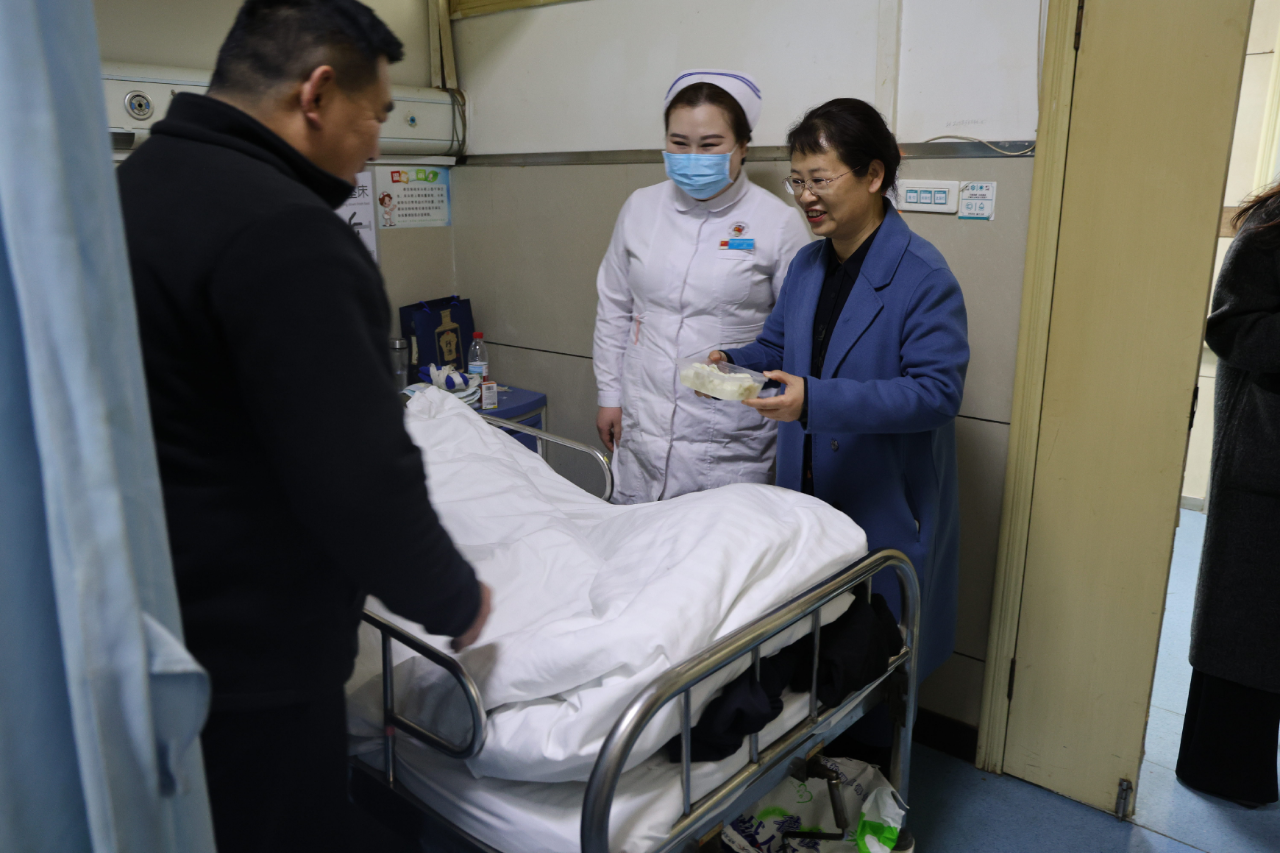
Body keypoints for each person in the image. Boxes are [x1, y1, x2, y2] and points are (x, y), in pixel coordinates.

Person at [115, 1, 490, 849]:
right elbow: (361, 476)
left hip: (149, 625)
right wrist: (453, 595)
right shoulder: (289, 233)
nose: (377, 146)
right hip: (254, 666)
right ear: (316, 93)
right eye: (377, 115)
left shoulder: (132, 187)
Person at [713, 103, 967, 849]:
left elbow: (936, 392)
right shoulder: (807, 266)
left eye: (820, 179)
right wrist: (736, 362)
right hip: (812, 494)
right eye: (796, 181)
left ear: (874, 175)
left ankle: (870, 800)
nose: (806, 196)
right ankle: (815, 790)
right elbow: (779, 346)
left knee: (876, 660)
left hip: (880, 503)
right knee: (814, 655)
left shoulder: (922, 276)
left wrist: (816, 400)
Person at [593, 69, 811, 504]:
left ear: (742, 146)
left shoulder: (778, 223)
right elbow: (614, 307)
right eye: (679, 143)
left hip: (728, 434)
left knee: (717, 539)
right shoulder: (640, 208)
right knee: (636, 533)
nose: (693, 156)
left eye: (710, 145)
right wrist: (609, 395)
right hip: (642, 419)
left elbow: (798, 333)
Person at [1177, 189, 1280, 807]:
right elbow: (1230, 326)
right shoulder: (1271, 224)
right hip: (1265, 453)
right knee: (1248, 617)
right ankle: (1224, 771)